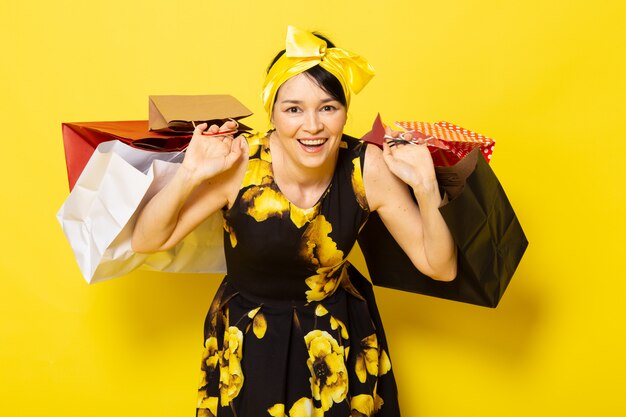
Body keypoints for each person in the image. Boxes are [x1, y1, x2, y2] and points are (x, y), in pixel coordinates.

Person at [131, 26, 456, 417]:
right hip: (251, 338)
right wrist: (191, 173)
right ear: (272, 113)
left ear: (345, 112)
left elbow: (440, 267)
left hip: (338, 337)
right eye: (294, 109)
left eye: (328, 108)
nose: (313, 126)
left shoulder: (366, 168)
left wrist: (424, 188)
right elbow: (147, 240)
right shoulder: (239, 163)